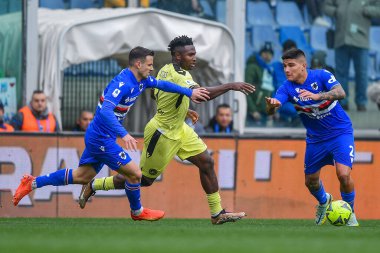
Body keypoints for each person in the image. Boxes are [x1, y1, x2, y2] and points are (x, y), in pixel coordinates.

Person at [12, 46, 211, 222]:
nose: (152, 68)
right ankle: (137, 211)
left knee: (82, 176)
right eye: (149, 65)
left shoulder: (141, 80)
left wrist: (189, 93)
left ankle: (33, 182)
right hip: (101, 137)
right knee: (135, 174)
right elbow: (106, 111)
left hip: (99, 136)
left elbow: (162, 85)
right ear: (139, 64)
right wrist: (123, 134)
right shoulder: (122, 83)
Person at [78, 35, 255, 225]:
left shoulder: (165, 70)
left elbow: (156, 95)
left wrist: (182, 109)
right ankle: (95, 184)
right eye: (190, 54)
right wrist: (231, 86)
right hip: (162, 133)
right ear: (178, 56)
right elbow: (202, 95)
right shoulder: (178, 75)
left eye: (194, 53)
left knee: (206, 162)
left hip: (180, 129)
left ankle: (217, 213)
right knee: (143, 180)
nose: (194, 58)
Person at [265, 48, 359, 226]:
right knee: (311, 182)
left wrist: (318, 95)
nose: (287, 70)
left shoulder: (322, 76)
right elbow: (272, 111)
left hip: (340, 132)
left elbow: (341, 93)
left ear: (303, 65)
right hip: (315, 139)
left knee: (343, 174)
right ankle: (324, 202)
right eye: (284, 66)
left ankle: (350, 214)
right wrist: (272, 105)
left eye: (291, 65)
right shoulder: (286, 88)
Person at [323, 0, 380, 111]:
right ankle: (342, 101)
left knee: (362, 74)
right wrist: (336, 11)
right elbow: (326, 6)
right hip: (341, 39)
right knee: (341, 73)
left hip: (360, 39)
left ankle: (361, 102)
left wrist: (366, 10)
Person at [245, 42, 275, 126]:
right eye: (265, 53)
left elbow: (270, 91)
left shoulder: (269, 70)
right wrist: (253, 110)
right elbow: (246, 90)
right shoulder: (252, 67)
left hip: (265, 114)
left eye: (270, 53)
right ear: (260, 54)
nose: (267, 55)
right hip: (254, 114)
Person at [272, 39, 300, 127]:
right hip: (280, 115)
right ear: (283, 53)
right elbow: (270, 89)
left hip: (299, 116)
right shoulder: (274, 68)